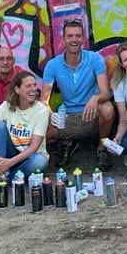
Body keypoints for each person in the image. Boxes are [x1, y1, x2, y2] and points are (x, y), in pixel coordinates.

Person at [41, 20, 113, 169]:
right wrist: (51, 114)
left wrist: (95, 98)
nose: (74, 40)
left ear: (83, 38)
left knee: (107, 109)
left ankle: (102, 149)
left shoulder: (95, 59)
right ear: (63, 39)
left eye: (78, 36)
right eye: (70, 36)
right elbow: (44, 101)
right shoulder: (53, 65)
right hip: (67, 118)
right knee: (42, 132)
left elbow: (106, 93)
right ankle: (65, 144)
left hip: (91, 115)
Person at [0, 70, 49, 191]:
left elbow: (34, 147)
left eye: (34, 85)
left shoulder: (42, 110)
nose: (33, 89)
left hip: (27, 159)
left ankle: (2, 179)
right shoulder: (6, 106)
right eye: (28, 86)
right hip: (6, 156)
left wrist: (8, 163)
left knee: (40, 161)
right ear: (17, 89)